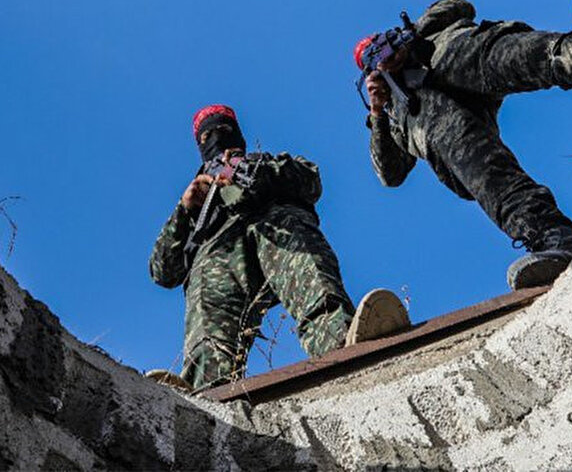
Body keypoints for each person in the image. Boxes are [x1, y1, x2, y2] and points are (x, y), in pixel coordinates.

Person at [355, 0, 572, 290]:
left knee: (518, 56)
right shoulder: (394, 114)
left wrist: (411, 35)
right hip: (444, 130)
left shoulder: (427, 36)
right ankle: (554, 239)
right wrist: (377, 112)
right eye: (374, 58)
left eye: (380, 43)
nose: (384, 55)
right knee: (491, 179)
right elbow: (390, 174)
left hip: (459, 55)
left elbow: (460, 4)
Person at [149, 105, 410, 391]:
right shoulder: (195, 198)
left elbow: (311, 181)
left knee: (312, 280)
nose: (215, 139)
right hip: (218, 256)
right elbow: (163, 272)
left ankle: (340, 342)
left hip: (277, 235)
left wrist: (259, 173)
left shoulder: (267, 163)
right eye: (206, 136)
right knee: (208, 330)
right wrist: (184, 210)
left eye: (224, 131)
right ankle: (205, 389)